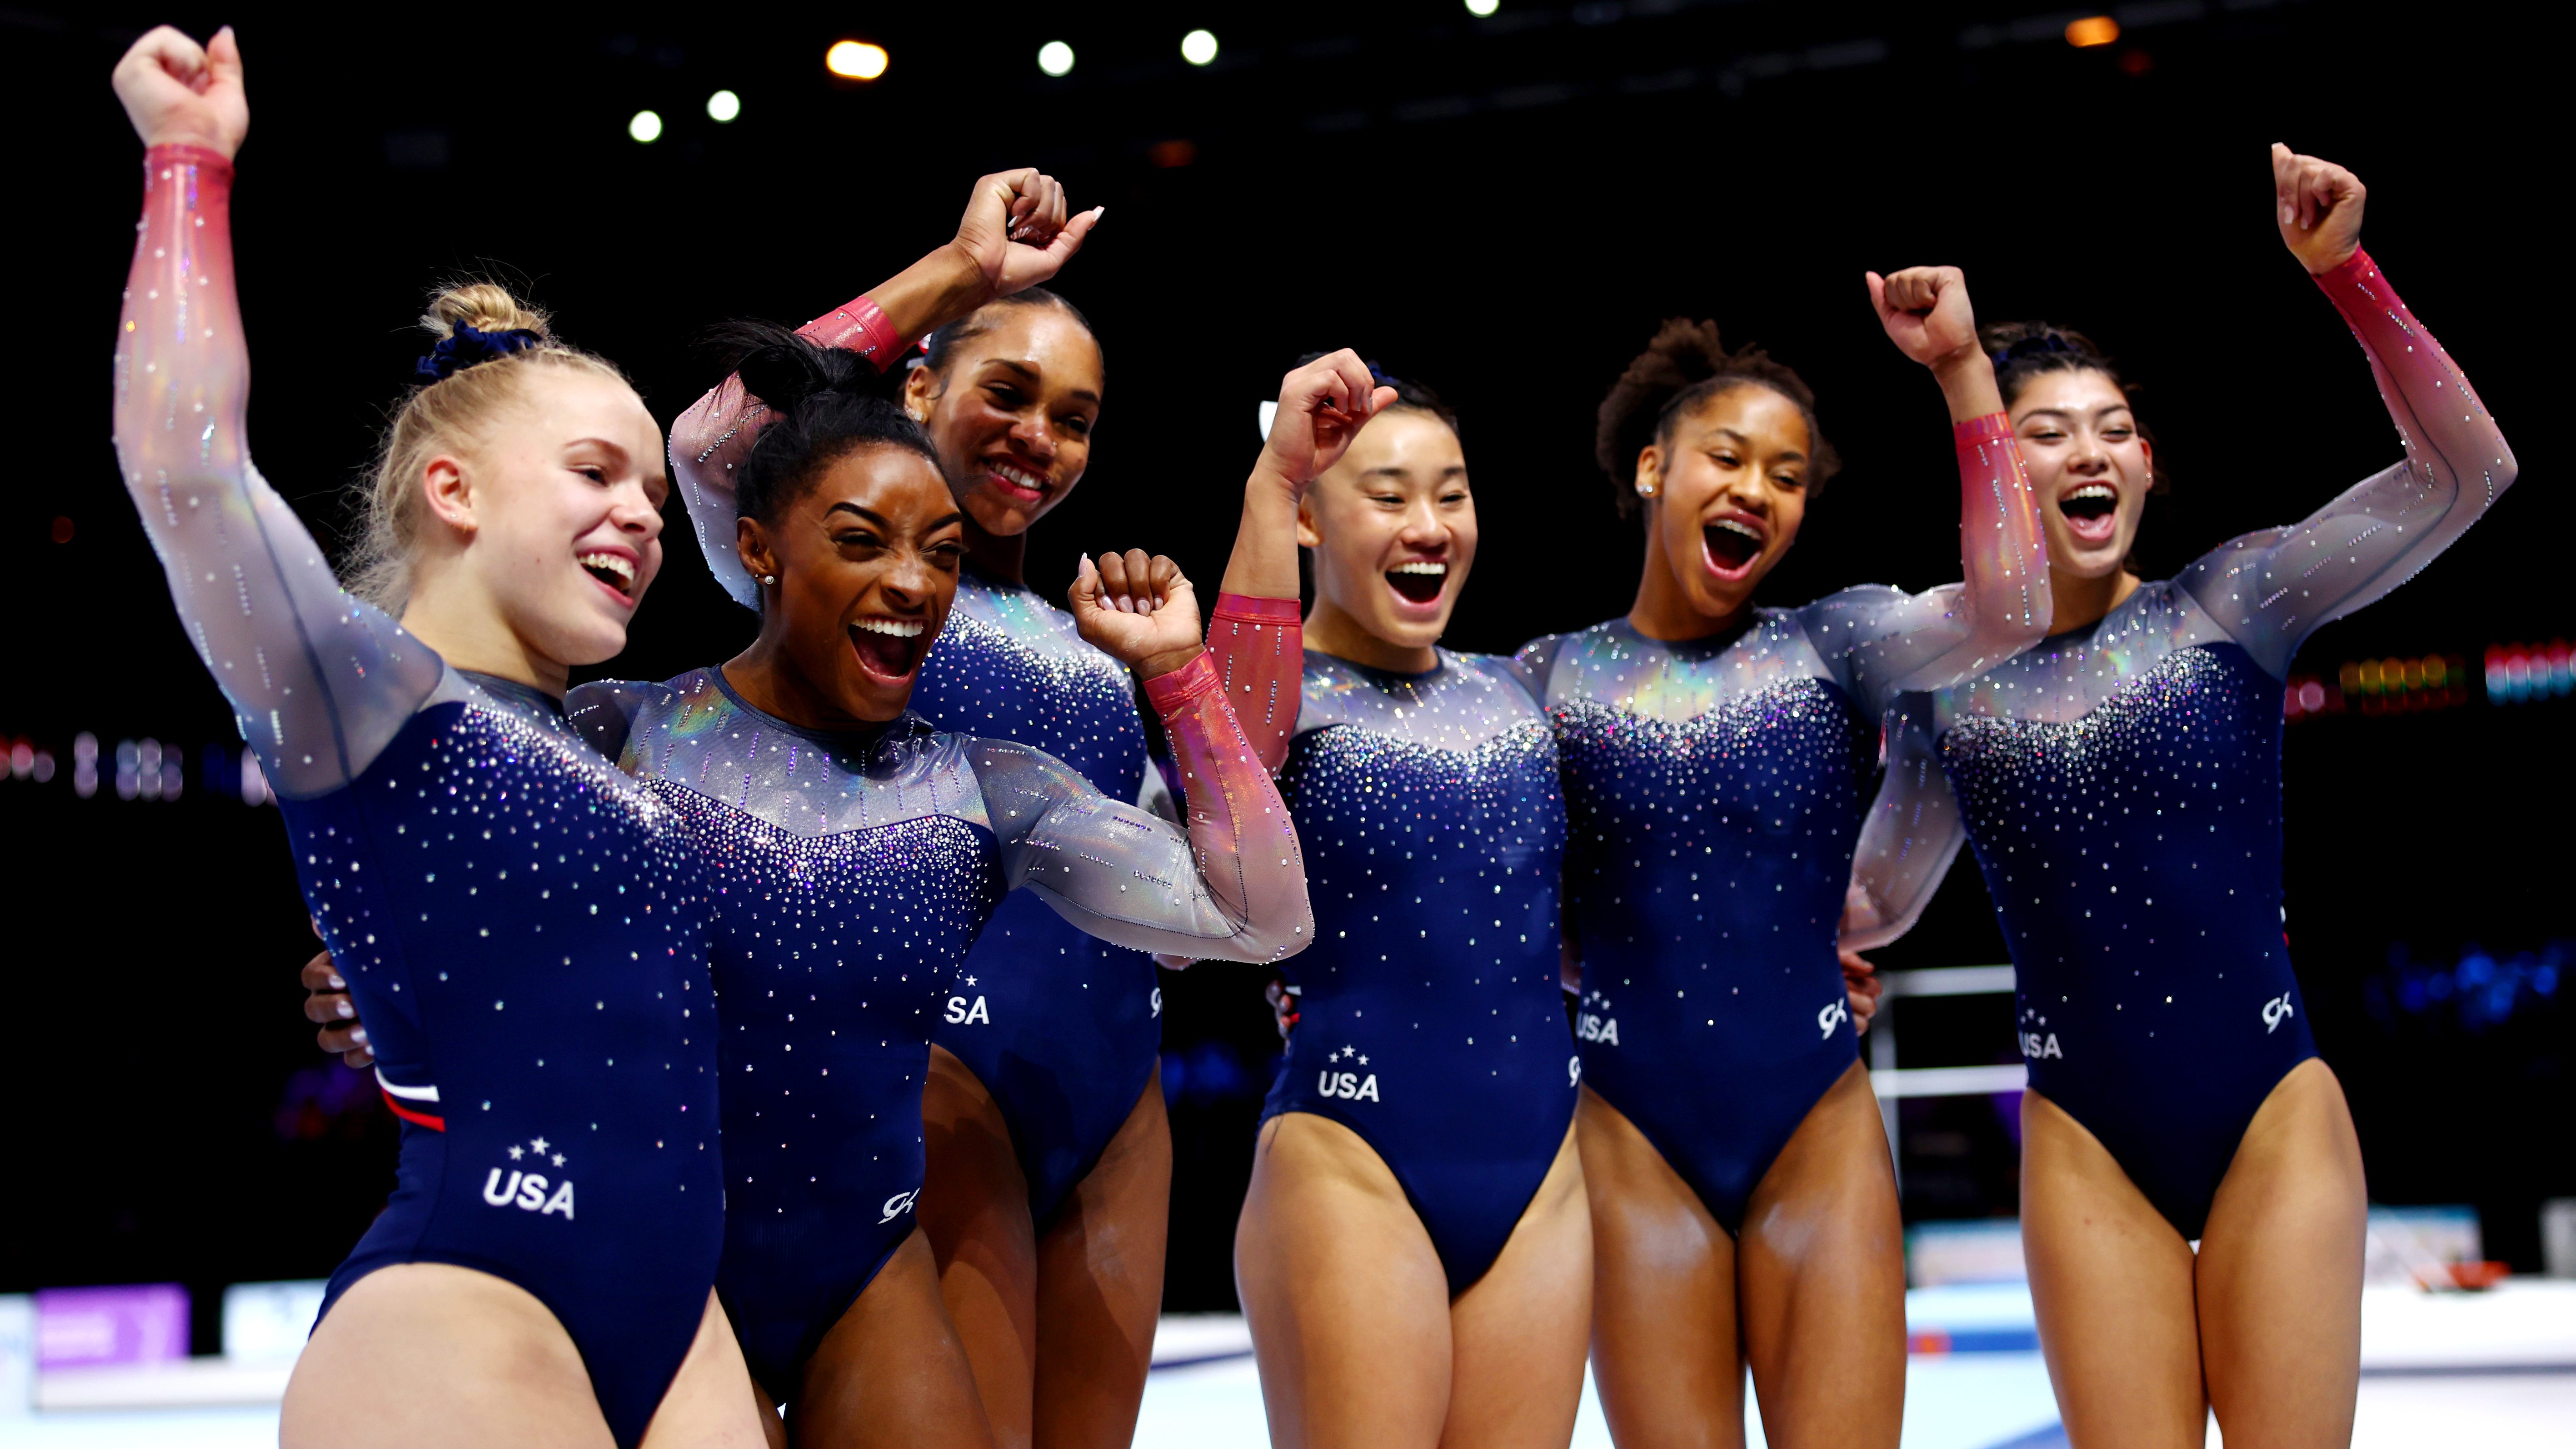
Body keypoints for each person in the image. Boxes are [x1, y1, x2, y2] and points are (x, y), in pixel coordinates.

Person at [110, 25, 763, 1449]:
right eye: (596, 470)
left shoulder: (619, 742)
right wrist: (186, 160)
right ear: (455, 491)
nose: (648, 513)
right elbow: (183, 469)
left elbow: (766, 419)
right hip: (468, 1302)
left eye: (651, 488)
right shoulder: (363, 696)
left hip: (680, 1315)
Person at [1846, 146, 2514, 1447]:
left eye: (2111, 430)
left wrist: (2346, 276)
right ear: (1993, 472)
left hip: (2269, 1105)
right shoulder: (1946, 695)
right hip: (2084, 1136)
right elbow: (1875, 893)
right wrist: (1809, 942)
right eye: (2043, 434)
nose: (2086, 452)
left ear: (2146, 465)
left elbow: (2463, 476)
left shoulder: (2231, 604)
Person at [560, 325, 1312, 1447]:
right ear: (756, 548)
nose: (910, 582)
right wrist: (368, 981)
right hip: (705, 1234)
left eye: (940, 556)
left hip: (906, 1235)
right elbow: (711, 443)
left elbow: (1260, 914)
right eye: (864, 542)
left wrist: (1179, 671)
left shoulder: (990, 777)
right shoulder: (625, 730)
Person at [1515, 270, 2050, 1447]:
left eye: (1787, 475)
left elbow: (2013, 607)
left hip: (1816, 1126)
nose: (1754, 488)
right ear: (1654, 468)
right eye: (1726, 456)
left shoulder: (1835, 640)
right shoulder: (1541, 680)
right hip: (1629, 1137)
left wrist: (1961, 371)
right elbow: (1480, 896)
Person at [668, 254, 1173, 1449]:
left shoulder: (1097, 641)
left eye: (1075, 419)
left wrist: (1195, 638)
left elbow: (1216, 874)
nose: (1038, 435)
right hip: (945, 1095)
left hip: (1118, 1105)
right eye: (1007, 391)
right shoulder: (856, 597)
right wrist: (962, 270)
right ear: (916, 387)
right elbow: (706, 445)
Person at [1188, 353, 1590, 1449]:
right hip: (1349, 1158)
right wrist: (1268, 485)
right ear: (1313, 520)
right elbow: (1227, 772)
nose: (1429, 524)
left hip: (1542, 1163)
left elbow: (1564, 919)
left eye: (1451, 494)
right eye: (1387, 494)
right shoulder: (1275, 703)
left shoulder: (1510, 693)